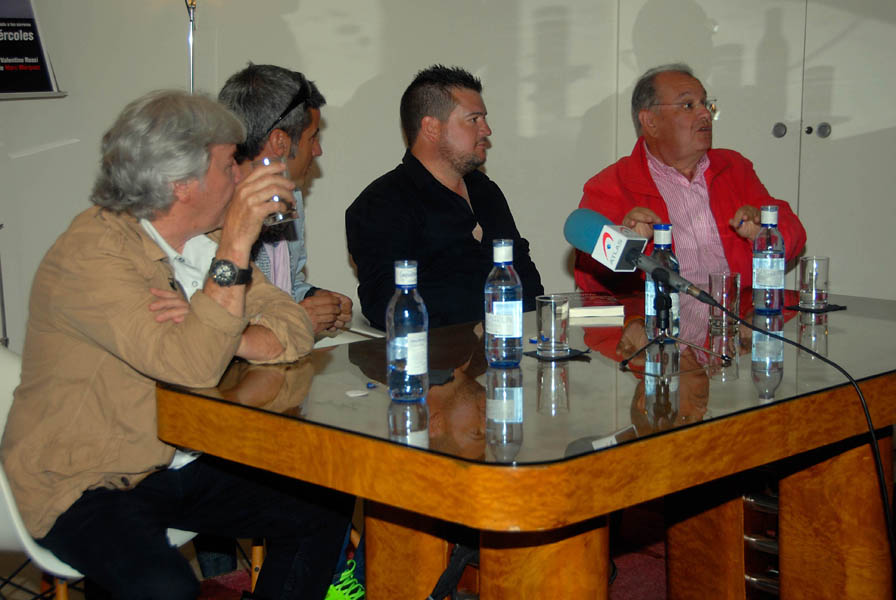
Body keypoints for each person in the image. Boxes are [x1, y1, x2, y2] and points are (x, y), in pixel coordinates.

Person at [0, 90, 352, 600]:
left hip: (168, 463)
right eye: (229, 164)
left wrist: (230, 335)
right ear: (181, 183)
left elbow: (294, 326)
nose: (241, 176)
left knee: (323, 503)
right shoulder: (94, 255)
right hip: (83, 479)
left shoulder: (199, 241)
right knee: (165, 588)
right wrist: (237, 244)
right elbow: (194, 366)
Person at [574, 63, 806, 317]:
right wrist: (627, 241)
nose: (705, 113)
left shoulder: (734, 168)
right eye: (688, 105)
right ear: (650, 122)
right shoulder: (611, 184)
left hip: (736, 322)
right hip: (661, 323)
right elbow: (591, 282)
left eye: (705, 103)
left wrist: (764, 233)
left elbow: (793, 233)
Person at [346, 64, 544, 330]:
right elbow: (387, 304)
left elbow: (529, 284)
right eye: (474, 120)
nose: (487, 130)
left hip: (508, 347)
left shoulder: (486, 192)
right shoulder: (381, 204)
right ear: (431, 128)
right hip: (434, 354)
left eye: (484, 119)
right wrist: (489, 303)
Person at [218, 63, 353, 336]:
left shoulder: (291, 198)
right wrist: (298, 318)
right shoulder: (211, 211)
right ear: (280, 142)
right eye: (312, 138)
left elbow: (287, 287)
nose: (318, 151)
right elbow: (213, 323)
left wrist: (317, 299)